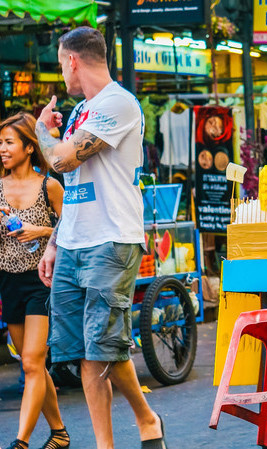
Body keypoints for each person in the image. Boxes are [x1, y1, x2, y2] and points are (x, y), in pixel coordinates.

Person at [33, 27, 167, 449]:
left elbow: (62, 159)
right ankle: (129, 430)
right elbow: (73, 186)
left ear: (72, 60)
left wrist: (42, 132)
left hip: (111, 240)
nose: (62, 73)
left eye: (60, 63)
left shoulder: (118, 103)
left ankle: (136, 427)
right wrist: (55, 242)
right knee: (84, 353)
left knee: (101, 350)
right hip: (73, 241)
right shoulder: (79, 112)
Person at [0, 113, 67, 449]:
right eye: (0, 143)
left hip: (40, 281)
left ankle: (21, 441)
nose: (2, 149)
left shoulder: (49, 186)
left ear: (29, 147)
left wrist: (42, 230)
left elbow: (74, 226)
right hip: (8, 282)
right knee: (33, 366)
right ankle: (59, 432)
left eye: (9, 142)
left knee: (30, 360)